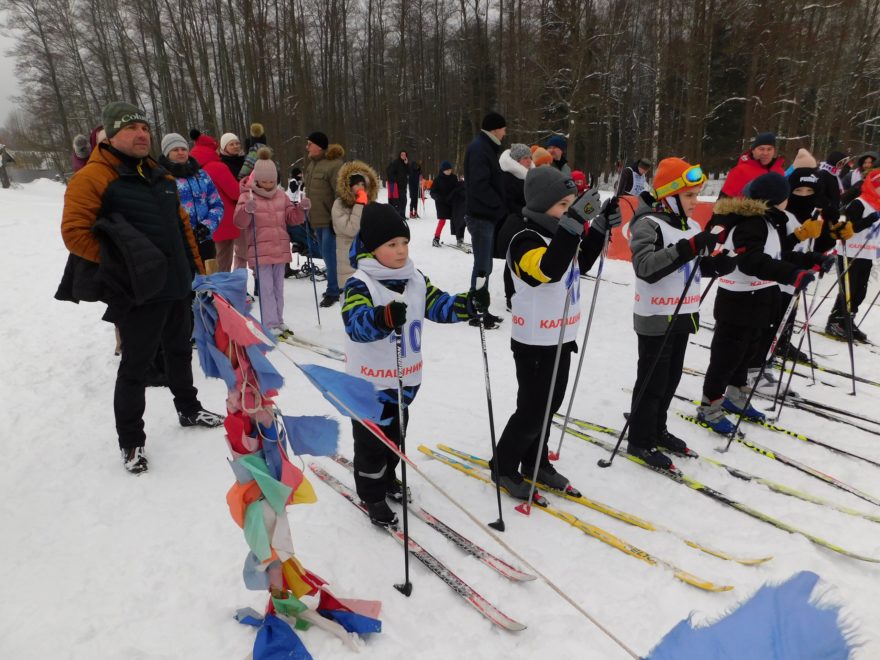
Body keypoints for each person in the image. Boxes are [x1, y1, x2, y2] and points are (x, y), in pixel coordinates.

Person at [60, 101, 223, 475]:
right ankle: (131, 441)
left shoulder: (161, 176)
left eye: (145, 128)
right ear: (111, 135)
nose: (141, 134)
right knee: (136, 367)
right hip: (138, 292)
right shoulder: (94, 178)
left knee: (180, 352)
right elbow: (74, 233)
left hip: (177, 285)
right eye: (131, 129)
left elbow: (182, 226)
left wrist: (195, 272)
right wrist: (122, 266)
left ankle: (189, 408)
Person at [341, 202, 489, 525]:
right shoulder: (360, 284)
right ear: (372, 248)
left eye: (404, 243)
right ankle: (372, 495)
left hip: (403, 385)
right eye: (391, 245)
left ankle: (389, 475)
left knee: (395, 438)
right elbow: (355, 323)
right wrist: (382, 318)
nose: (400, 251)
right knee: (370, 447)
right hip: (368, 388)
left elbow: (438, 305)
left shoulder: (415, 280)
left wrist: (467, 305)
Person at [493, 167, 620, 498]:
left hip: (561, 338)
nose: (569, 211)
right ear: (541, 205)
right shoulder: (524, 239)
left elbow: (581, 263)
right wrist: (573, 225)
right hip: (534, 342)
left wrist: (600, 227)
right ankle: (503, 465)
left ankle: (535, 461)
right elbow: (547, 271)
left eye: (571, 204)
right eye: (563, 205)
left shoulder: (561, 234)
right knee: (532, 411)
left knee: (549, 406)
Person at [696, 173, 830, 433]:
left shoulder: (768, 222)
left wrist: (811, 260)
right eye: (786, 196)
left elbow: (779, 254)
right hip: (738, 298)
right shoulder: (751, 223)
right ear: (777, 199)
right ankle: (709, 406)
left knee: (747, 352)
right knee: (727, 356)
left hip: (760, 297)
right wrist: (791, 274)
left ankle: (735, 396)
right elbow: (751, 261)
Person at [626, 158, 736, 469]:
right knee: (652, 382)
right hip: (656, 317)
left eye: (697, 194)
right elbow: (646, 268)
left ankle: (657, 430)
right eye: (689, 195)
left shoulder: (693, 227)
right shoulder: (648, 224)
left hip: (684, 314)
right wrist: (691, 247)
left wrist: (717, 265)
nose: (695, 201)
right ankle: (640, 440)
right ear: (670, 195)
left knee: (671, 379)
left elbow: (693, 265)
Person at [233, 148, 306, 336]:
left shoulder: (281, 195)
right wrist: (246, 210)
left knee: (278, 288)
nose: (268, 185)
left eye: (272, 181)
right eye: (264, 181)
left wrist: (301, 210)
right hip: (260, 250)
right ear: (256, 179)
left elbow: (292, 218)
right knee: (266, 289)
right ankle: (269, 323)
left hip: (280, 249)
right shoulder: (247, 196)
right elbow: (239, 222)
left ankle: (278, 320)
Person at [825, 169, 880, 341]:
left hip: (867, 253)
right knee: (849, 290)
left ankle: (848, 320)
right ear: (873, 186)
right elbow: (848, 229)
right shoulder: (859, 203)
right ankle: (836, 321)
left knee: (860, 292)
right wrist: (869, 220)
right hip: (850, 252)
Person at [464, 111, 507, 328]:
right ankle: (477, 312)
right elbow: (480, 185)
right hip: (481, 217)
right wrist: (498, 206)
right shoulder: (480, 148)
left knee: (485, 265)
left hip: (484, 215)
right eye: (503, 128)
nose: (505, 133)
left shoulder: (484, 147)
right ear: (494, 128)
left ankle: (480, 308)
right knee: (482, 266)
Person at [159, 132, 223, 263]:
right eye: (175, 150)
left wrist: (207, 226)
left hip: (204, 240)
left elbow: (217, 204)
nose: (180, 152)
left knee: (208, 280)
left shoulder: (201, 175)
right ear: (167, 153)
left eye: (183, 149)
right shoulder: (161, 178)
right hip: (178, 243)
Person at [190, 131, 243, 272]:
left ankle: (213, 288)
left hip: (203, 222)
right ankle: (222, 291)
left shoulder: (195, 168)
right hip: (223, 219)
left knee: (210, 259)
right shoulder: (216, 167)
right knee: (223, 261)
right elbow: (235, 193)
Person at [303, 131, 345, 307]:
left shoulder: (334, 165)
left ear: (319, 146)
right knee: (326, 255)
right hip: (316, 219)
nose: (307, 147)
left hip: (330, 221)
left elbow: (340, 193)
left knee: (330, 255)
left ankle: (333, 291)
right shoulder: (312, 165)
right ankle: (336, 285)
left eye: (310, 143)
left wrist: (336, 218)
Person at [332, 161, 379, 289]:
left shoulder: (368, 204)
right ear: (349, 186)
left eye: (363, 184)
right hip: (347, 258)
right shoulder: (339, 204)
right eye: (357, 184)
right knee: (351, 295)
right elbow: (352, 229)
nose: (360, 187)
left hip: (366, 257)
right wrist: (359, 205)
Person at [719, 132, 786, 198]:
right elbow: (722, 203)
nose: (765, 153)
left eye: (769, 149)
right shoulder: (739, 171)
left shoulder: (779, 172)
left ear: (774, 151)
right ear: (753, 151)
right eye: (761, 149)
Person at [429, 161, 466, 248]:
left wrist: (461, 184)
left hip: (452, 202)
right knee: (442, 221)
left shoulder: (453, 177)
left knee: (457, 219)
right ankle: (436, 238)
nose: (449, 171)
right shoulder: (437, 179)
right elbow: (432, 192)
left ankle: (459, 238)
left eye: (450, 169)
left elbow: (456, 188)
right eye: (447, 170)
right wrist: (437, 197)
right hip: (441, 203)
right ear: (443, 170)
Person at [499, 143, 531, 216]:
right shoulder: (506, 178)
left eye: (530, 157)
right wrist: (526, 213)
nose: (529, 161)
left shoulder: (527, 175)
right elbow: (508, 204)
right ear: (516, 160)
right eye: (525, 158)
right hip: (513, 220)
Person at [386, 151, 410, 217]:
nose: (403, 156)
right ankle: (397, 215)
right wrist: (396, 180)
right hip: (396, 186)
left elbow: (409, 172)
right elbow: (390, 172)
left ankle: (403, 215)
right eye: (402, 154)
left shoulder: (406, 163)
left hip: (403, 186)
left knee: (404, 201)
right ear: (399, 155)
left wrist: (407, 164)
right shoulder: (395, 163)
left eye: (404, 155)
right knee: (397, 201)